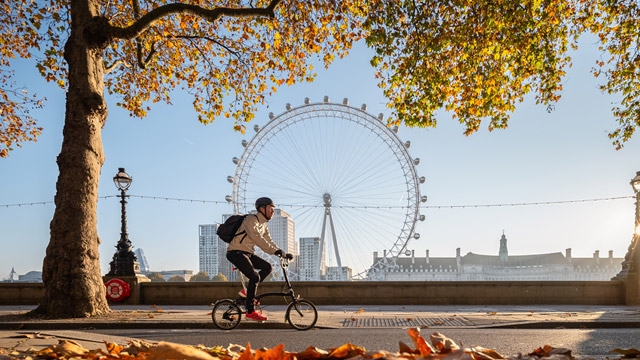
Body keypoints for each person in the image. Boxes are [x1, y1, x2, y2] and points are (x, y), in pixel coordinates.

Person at [226, 197, 293, 321]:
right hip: (235, 252)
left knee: (268, 267)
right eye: (270, 209)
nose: (273, 211)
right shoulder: (251, 220)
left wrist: (282, 253)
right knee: (255, 277)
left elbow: (269, 241)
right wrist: (274, 251)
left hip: (247, 253)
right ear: (262, 209)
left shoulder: (264, 225)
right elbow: (258, 239)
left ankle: (247, 293)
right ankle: (250, 311)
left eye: (273, 209)